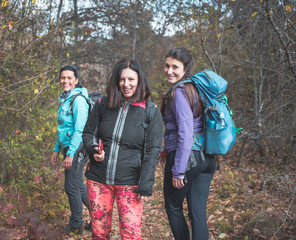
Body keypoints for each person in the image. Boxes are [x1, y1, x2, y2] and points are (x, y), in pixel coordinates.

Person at [82, 59, 163, 239]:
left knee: (131, 234)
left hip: (130, 183)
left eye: (131, 79)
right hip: (98, 180)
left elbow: (153, 150)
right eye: (122, 79)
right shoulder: (103, 104)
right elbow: (88, 133)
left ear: (139, 81)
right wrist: (93, 149)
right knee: (99, 233)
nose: (126, 84)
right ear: (116, 81)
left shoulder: (151, 111)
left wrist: (145, 184)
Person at [159, 47, 216, 240]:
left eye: (175, 67)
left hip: (187, 159)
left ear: (185, 68)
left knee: (174, 206)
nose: (169, 71)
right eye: (167, 66)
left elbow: (185, 132)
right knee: (198, 213)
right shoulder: (196, 89)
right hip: (206, 158)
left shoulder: (179, 93)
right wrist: (165, 149)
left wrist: (178, 170)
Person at [51, 65, 91, 235]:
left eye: (69, 78)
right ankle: (98, 216)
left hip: (78, 147)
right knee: (77, 184)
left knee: (71, 186)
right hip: (68, 146)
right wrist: (56, 148)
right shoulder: (65, 99)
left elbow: (79, 130)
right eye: (62, 77)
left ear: (76, 80)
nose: (65, 81)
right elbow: (63, 127)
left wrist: (70, 154)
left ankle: (76, 225)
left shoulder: (78, 100)